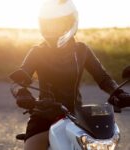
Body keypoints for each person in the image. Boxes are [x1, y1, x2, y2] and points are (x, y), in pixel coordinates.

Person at [9, 0, 130, 149]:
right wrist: (22, 93)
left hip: (78, 116)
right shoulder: (37, 51)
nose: (51, 29)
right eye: (47, 24)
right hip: (44, 114)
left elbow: (103, 78)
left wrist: (118, 92)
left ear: (70, 22)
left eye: (56, 24)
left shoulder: (82, 50)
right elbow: (18, 80)